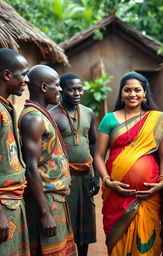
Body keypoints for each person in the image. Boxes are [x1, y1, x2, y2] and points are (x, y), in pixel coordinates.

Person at [95, 71, 163, 256]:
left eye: (137, 90)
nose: (132, 94)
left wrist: (161, 182)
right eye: (127, 90)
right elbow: (98, 156)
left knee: (147, 243)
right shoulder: (109, 119)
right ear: (121, 93)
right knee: (118, 243)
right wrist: (107, 182)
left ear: (145, 93)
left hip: (148, 196)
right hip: (116, 195)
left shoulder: (155, 119)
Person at [19, 65, 77, 256]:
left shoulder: (42, 114)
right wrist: (44, 213)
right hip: (45, 199)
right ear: (44, 87)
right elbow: (31, 168)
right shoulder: (34, 119)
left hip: (55, 198)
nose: (60, 90)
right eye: (57, 85)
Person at [50, 73, 99, 256]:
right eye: (72, 89)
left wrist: (96, 176)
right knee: (67, 219)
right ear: (61, 91)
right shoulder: (52, 115)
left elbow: (93, 142)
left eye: (80, 88)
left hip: (85, 176)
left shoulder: (88, 112)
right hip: (65, 178)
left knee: (86, 218)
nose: (77, 93)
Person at [0, 48, 30, 255]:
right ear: (7, 75)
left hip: (12, 203)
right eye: (23, 74)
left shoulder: (7, 108)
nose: (26, 80)